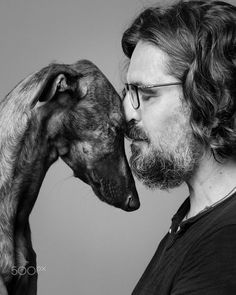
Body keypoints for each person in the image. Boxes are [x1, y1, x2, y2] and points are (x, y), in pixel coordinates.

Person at [121, 0, 236, 294]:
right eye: (128, 92)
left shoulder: (226, 241)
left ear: (211, 96)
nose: (128, 113)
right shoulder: (192, 220)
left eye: (146, 94)